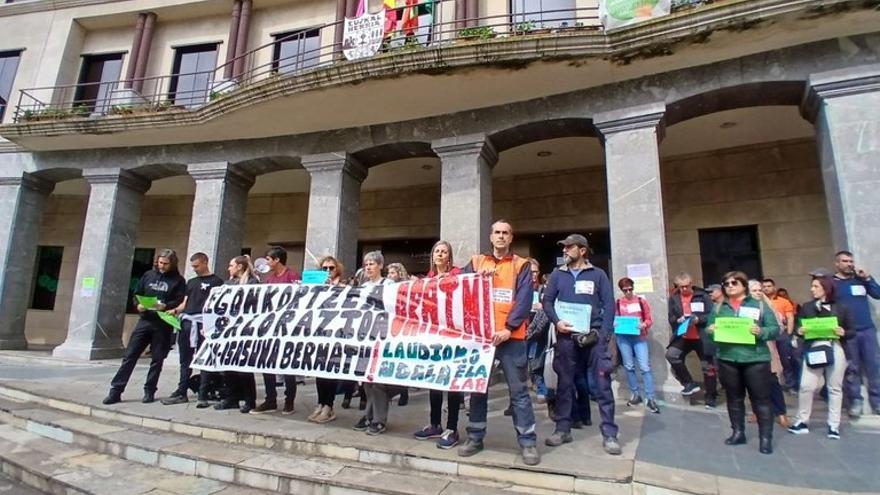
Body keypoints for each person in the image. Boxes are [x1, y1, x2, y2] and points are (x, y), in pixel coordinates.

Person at [458, 220, 540, 466]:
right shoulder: (476, 263)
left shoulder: (521, 265)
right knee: (477, 389)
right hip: (481, 338)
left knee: (519, 392)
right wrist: (474, 278)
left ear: (511, 238)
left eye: (505, 233)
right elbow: (457, 287)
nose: (501, 236)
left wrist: (508, 328)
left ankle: (528, 442)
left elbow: (524, 300)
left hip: (511, 338)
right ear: (491, 237)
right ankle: (475, 436)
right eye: (497, 233)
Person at [543, 234, 621, 455]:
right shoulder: (558, 275)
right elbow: (547, 301)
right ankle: (562, 429)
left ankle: (610, 434)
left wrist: (604, 334)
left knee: (602, 385)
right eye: (564, 248)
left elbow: (609, 305)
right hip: (567, 338)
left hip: (594, 338)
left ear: (583, 250)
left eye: (569, 247)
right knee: (565, 384)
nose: (565, 251)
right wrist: (557, 321)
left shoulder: (598, 275)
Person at [707, 271, 779, 454]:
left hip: (755, 358)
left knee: (761, 399)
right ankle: (738, 432)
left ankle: (765, 438)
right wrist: (710, 329)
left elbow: (774, 329)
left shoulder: (759, 305)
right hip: (728, 358)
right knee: (734, 397)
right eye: (726, 283)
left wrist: (761, 331)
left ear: (743, 285)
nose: (730, 286)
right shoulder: (719, 307)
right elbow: (710, 328)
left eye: (734, 283)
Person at [102, 249, 186, 405]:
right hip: (145, 321)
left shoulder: (179, 280)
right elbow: (136, 293)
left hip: (163, 323)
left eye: (166, 264)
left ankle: (149, 391)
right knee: (130, 356)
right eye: (160, 263)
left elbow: (180, 301)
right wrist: (138, 305)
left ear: (172, 264)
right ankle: (116, 391)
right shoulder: (148, 275)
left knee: (157, 359)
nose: (162, 266)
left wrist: (166, 306)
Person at [788, 274, 854, 439]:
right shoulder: (807, 307)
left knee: (834, 387)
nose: (812, 289)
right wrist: (799, 331)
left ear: (827, 288)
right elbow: (798, 326)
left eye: (816, 286)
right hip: (815, 347)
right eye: (812, 286)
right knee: (806, 385)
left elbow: (852, 330)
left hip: (835, 346)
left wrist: (843, 332)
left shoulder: (842, 307)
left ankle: (833, 425)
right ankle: (802, 420)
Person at [413, 240, 464, 449]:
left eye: (444, 252)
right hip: (433, 337)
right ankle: (435, 423)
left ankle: (452, 427)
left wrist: (451, 280)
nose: (440, 254)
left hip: (454, 336)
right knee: (434, 381)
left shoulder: (458, 274)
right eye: (437, 251)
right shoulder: (428, 278)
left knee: (452, 383)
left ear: (449, 256)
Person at [161, 252, 224, 406]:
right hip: (188, 322)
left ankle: (203, 394)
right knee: (185, 360)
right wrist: (175, 310)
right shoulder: (191, 282)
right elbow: (185, 302)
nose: (194, 269)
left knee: (204, 359)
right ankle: (181, 391)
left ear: (205, 262)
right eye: (192, 266)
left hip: (205, 324)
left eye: (196, 266)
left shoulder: (217, 282)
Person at [251, 246, 300, 415]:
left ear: (277, 260)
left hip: (287, 326)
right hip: (271, 326)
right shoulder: (269, 279)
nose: (267, 262)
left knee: (287, 364)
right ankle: (270, 399)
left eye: (269, 259)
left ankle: (289, 401)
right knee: (267, 362)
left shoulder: (292, 276)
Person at [830, 251, 880, 418]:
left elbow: (877, 294)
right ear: (837, 263)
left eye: (851, 261)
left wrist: (868, 278)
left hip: (867, 330)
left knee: (874, 366)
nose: (849, 264)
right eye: (845, 261)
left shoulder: (859, 280)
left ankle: (877, 401)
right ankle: (855, 401)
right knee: (852, 368)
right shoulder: (833, 283)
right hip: (848, 332)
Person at [352, 251, 394, 435]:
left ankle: (379, 420)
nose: (368, 267)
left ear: (380, 266)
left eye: (372, 263)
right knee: (367, 382)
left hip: (383, 337)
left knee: (378, 382)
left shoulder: (390, 285)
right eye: (366, 264)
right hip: (367, 338)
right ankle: (370, 414)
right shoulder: (364, 287)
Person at [215, 255, 260, 413]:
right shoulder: (228, 283)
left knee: (244, 367)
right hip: (228, 330)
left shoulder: (253, 282)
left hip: (245, 329)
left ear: (239, 266)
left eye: (231, 265)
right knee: (228, 366)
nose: (229, 268)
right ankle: (231, 398)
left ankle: (249, 400)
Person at [666, 272, 717, 408]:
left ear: (691, 284)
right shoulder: (674, 298)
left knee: (708, 367)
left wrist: (698, 319)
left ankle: (711, 396)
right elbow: (670, 316)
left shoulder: (702, 296)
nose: (683, 289)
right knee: (672, 355)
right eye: (680, 287)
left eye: (686, 286)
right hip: (684, 336)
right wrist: (677, 320)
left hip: (701, 336)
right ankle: (688, 383)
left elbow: (712, 315)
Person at [309, 255, 347, 424]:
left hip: (335, 335)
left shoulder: (345, 286)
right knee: (319, 371)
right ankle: (321, 402)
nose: (328, 271)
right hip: (319, 333)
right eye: (324, 268)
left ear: (337, 269)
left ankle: (328, 407)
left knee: (330, 371)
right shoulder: (317, 286)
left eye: (331, 268)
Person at [614, 277, 659, 414]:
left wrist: (644, 324)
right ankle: (635, 394)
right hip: (624, 338)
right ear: (621, 290)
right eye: (625, 290)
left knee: (645, 367)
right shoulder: (618, 303)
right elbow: (614, 318)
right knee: (629, 366)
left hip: (639, 337)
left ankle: (650, 397)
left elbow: (649, 319)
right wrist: (614, 324)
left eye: (630, 289)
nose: (628, 292)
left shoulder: (641, 301)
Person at [749, 280, 788, 427]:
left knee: (772, 381)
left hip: (766, 347)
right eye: (754, 290)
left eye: (760, 290)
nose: (758, 293)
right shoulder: (741, 307)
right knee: (751, 381)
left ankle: (781, 412)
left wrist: (763, 331)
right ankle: (756, 411)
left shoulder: (768, 307)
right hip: (748, 348)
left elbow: (778, 327)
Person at [763, 279, 799, 392]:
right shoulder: (760, 303)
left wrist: (788, 333)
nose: (766, 288)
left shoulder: (784, 302)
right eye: (764, 286)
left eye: (769, 286)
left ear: (774, 287)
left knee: (786, 360)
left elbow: (790, 318)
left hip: (782, 334)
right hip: (767, 335)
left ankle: (790, 384)